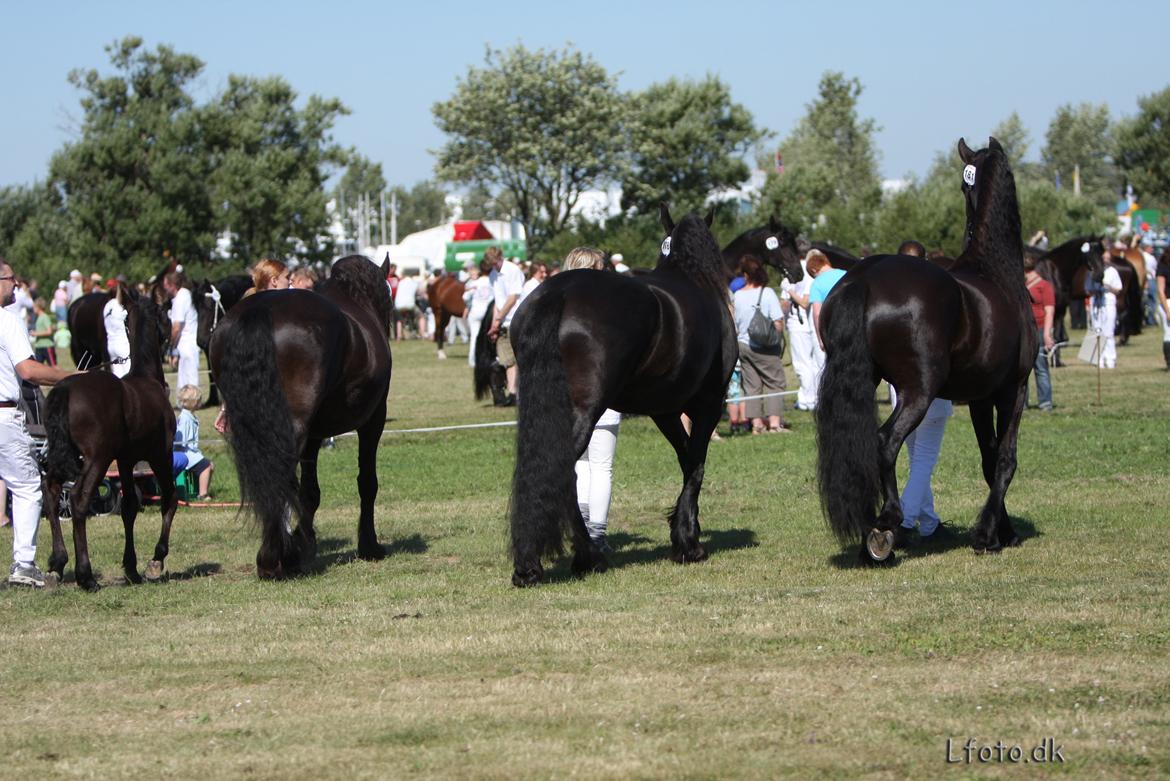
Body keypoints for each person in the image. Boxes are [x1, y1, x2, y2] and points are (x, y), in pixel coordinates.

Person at [0, 258, 75, 587]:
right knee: (28, 487)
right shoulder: (8, 321)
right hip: (4, 414)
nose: (17, 284)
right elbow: (28, 371)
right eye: (11, 278)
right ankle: (24, 564)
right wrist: (70, 376)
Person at [559, 247, 621, 551]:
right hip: (601, 393)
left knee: (582, 466)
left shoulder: (557, 302)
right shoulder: (606, 304)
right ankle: (596, 534)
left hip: (565, 397)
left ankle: (583, 530)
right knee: (600, 466)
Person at [732, 254, 789, 433]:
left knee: (751, 386)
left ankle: (756, 425)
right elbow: (778, 322)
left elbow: (735, 322)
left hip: (743, 345)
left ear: (746, 275)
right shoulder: (768, 293)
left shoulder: (738, 295)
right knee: (775, 382)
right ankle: (774, 423)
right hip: (765, 347)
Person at [896, 396, 954, 546]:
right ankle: (904, 521)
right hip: (933, 403)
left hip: (903, 404)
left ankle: (929, 524)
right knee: (923, 461)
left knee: (916, 460)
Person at [781, 250, 824, 411]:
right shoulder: (811, 270)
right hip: (811, 324)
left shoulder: (796, 270)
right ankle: (815, 396)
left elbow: (803, 302)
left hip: (799, 323)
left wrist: (788, 290)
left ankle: (808, 400)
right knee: (815, 363)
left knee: (802, 364)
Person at [486, 247, 526, 403]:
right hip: (503, 321)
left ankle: (514, 393)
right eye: (492, 264)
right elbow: (498, 302)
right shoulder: (492, 275)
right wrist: (494, 324)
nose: (494, 266)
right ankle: (512, 393)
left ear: (500, 257)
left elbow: (513, 298)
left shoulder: (513, 270)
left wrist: (498, 319)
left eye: (496, 263)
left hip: (516, 319)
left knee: (515, 359)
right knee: (507, 359)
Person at [1024, 254, 1055, 410]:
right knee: (1022, 369)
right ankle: (1022, 402)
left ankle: (1045, 401)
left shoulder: (1044, 286)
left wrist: (1047, 334)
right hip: (1024, 330)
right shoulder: (1020, 284)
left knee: (1040, 366)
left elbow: (1049, 311)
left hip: (1039, 328)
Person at [175, 385, 215, 500]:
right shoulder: (185, 419)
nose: (200, 402)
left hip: (192, 452)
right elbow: (179, 440)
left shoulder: (190, 417)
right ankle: (202, 494)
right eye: (198, 400)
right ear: (193, 402)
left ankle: (200, 489)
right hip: (185, 453)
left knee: (210, 465)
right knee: (206, 466)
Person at [163, 269, 200, 391]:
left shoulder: (180, 299)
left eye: (166, 286)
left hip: (187, 342)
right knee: (185, 377)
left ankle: (191, 402)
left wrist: (170, 347)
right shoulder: (184, 294)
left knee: (189, 377)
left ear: (172, 286)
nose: (164, 289)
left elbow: (176, 327)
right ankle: (186, 402)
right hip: (186, 343)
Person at [1089, 246, 1123, 369]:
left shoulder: (1113, 271)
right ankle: (1098, 358)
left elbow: (1118, 289)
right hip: (1096, 303)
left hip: (1108, 302)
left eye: (1107, 258)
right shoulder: (1093, 271)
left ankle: (1110, 358)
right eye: (1104, 258)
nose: (1105, 260)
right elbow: (1088, 289)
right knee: (1097, 330)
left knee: (1108, 331)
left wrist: (1107, 286)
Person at [809, 252, 847, 349]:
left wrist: (821, 339)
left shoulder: (816, 283)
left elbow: (817, 314)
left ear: (813, 270)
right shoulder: (846, 274)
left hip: (834, 329)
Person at [465, 263, 494, 367]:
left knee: (474, 336)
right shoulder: (493, 282)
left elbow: (465, 297)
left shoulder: (475, 282)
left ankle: (472, 360)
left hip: (475, 311)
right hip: (488, 312)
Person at [103, 283, 132, 378]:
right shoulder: (120, 306)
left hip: (111, 345)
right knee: (129, 375)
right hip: (123, 344)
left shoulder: (106, 306)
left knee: (118, 377)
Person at [1156, 247, 1170, 370]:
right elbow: (1161, 290)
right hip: (1168, 301)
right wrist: (1167, 310)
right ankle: (1169, 362)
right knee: (1169, 333)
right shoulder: (1163, 266)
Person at [30, 298, 55, 366]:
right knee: (37, 367)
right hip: (39, 346)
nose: (33, 309)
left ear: (39, 307)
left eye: (34, 307)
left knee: (53, 367)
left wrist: (35, 333)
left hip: (47, 346)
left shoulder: (45, 317)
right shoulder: (39, 317)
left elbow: (49, 331)